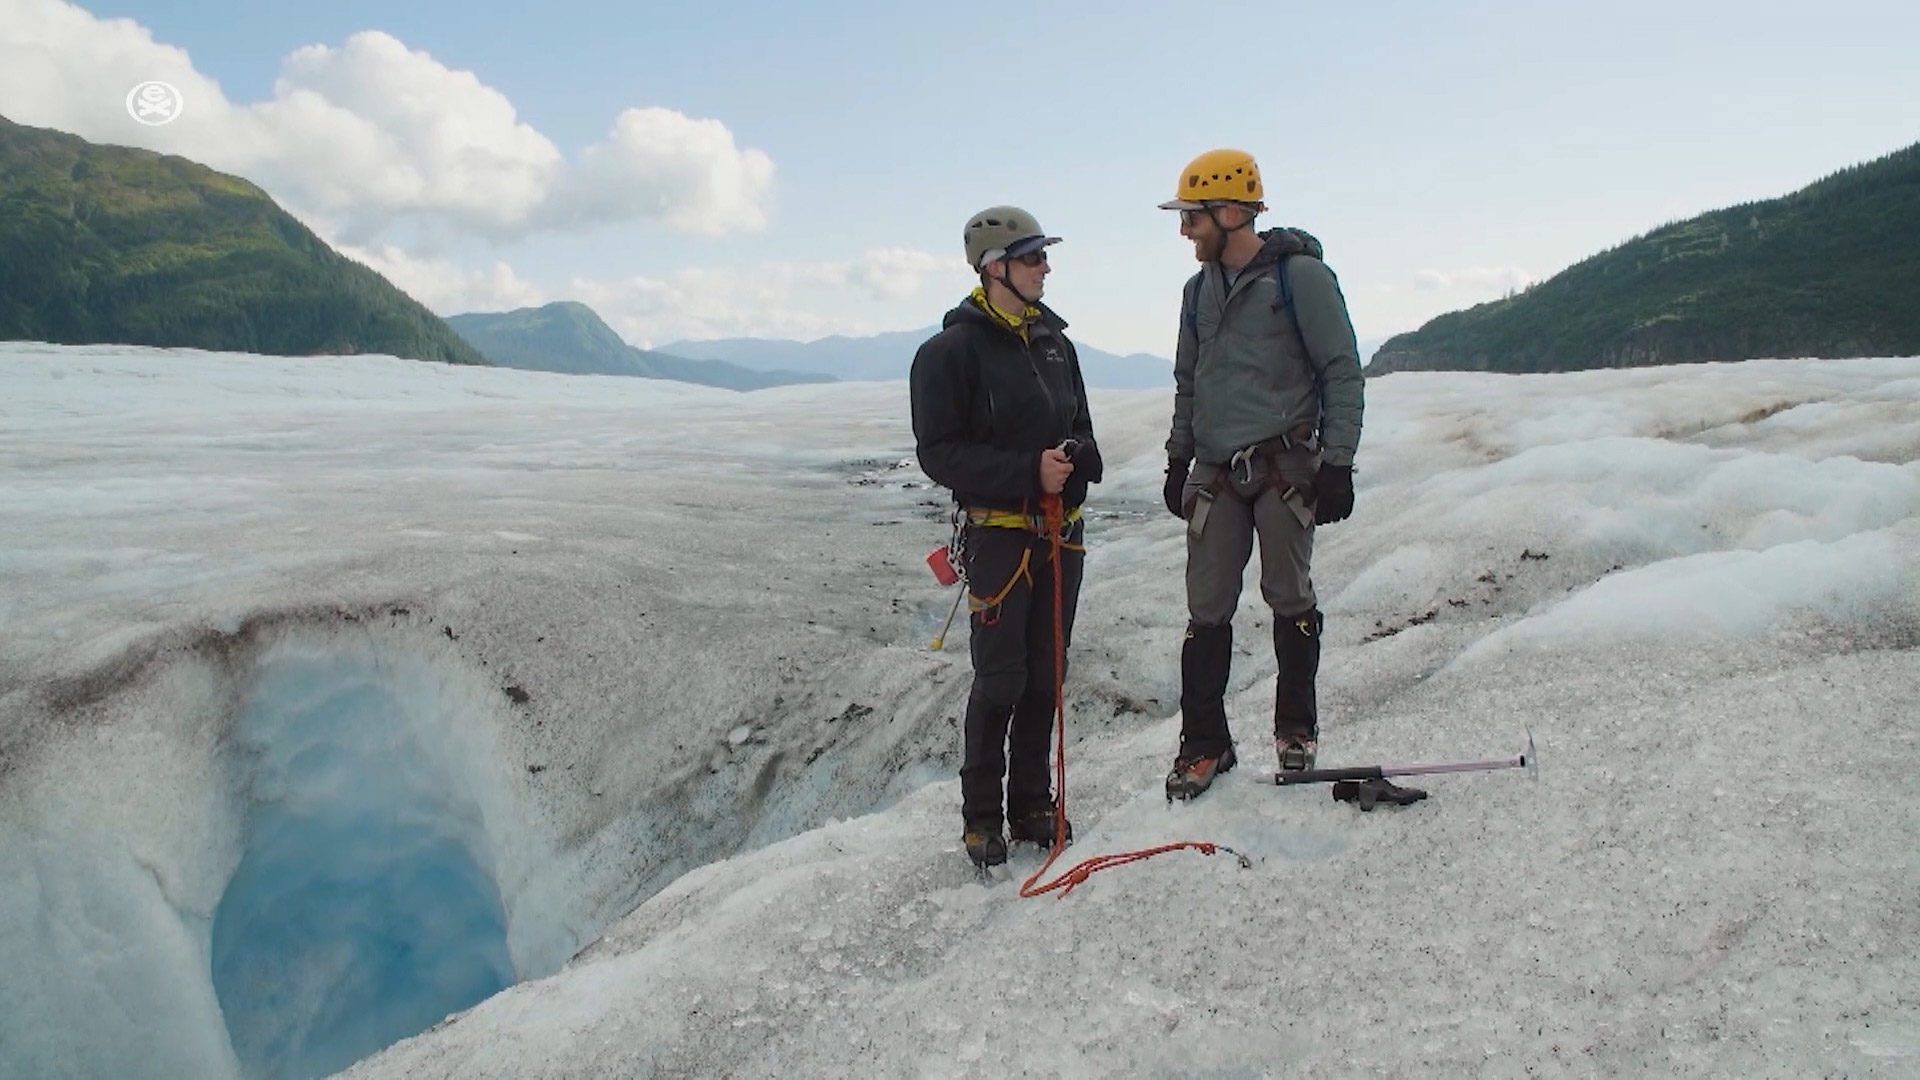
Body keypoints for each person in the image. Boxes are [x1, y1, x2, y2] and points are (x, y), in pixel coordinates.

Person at [1156, 149, 1364, 801]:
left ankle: (1295, 733)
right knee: (1206, 609)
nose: (1185, 230)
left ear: (1229, 211)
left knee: (1290, 597)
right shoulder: (1197, 293)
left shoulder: (1300, 279)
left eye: (1193, 217)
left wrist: (1338, 463)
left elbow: (1340, 371)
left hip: (1285, 467)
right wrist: (1176, 458)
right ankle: (1205, 744)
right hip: (1218, 471)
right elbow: (1189, 383)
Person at [910, 206, 1103, 868]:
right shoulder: (949, 354)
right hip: (998, 539)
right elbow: (938, 453)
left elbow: (1080, 423)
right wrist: (1027, 470)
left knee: (1046, 677)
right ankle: (981, 819)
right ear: (995, 269)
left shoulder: (1056, 345)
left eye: (1042, 257)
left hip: (1057, 536)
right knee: (1002, 680)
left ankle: (1030, 806)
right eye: (1032, 258)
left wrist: (1079, 456)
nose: (1045, 268)